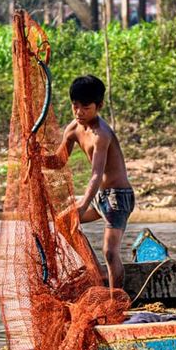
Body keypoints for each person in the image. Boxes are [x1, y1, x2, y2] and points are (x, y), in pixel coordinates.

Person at [43, 75, 134, 289]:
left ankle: (115, 299)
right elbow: (58, 161)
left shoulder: (101, 135)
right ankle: (97, 272)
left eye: (86, 107)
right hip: (99, 198)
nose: (79, 112)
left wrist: (83, 204)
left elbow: (96, 174)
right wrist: (36, 157)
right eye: (75, 106)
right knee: (63, 222)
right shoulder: (73, 128)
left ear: (98, 106)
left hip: (117, 198)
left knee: (110, 252)